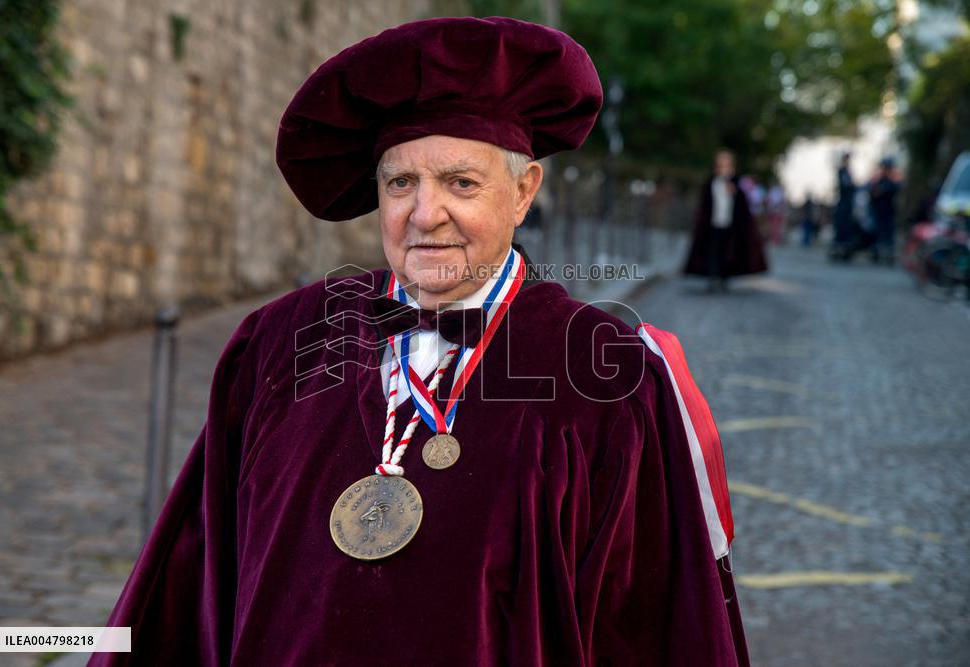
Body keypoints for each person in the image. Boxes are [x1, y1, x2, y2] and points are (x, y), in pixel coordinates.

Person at [91, 17, 748, 666]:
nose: (425, 215)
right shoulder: (278, 344)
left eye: (461, 183)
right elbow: (187, 589)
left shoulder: (608, 379)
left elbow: (650, 631)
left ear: (523, 192)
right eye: (401, 183)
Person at [683, 149, 768, 291]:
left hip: (730, 224)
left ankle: (724, 277)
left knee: (728, 252)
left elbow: (742, 207)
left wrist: (734, 193)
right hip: (713, 223)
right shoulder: (711, 182)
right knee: (712, 251)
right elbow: (704, 205)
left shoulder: (736, 183)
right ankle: (712, 277)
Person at [868, 157, 901, 263]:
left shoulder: (892, 182)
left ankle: (888, 252)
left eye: (888, 168)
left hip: (888, 212)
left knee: (888, 233)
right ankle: (876, 251)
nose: (886, 170)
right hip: (878, 212)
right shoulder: (878, 181)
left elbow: (894, 191)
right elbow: (873, 193)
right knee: (877, 232)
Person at [831, 151, 857, 261]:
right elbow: (846, 185)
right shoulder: (842, 171)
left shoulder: (847, 172)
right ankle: (839, 247)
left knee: (847, 227)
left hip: (848, 203)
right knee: (842, 226)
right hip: (844, 203)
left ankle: (844, 247)